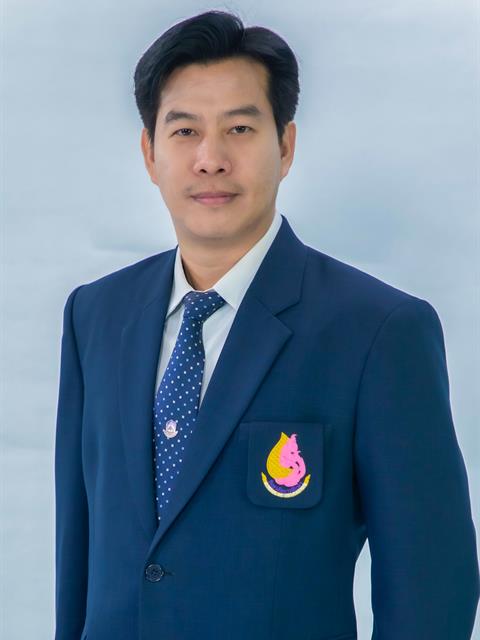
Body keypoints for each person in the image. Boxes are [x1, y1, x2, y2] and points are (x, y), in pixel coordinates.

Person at [54, 9, 479, 640]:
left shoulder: (378, 332)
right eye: (185, 130)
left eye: (240, 128)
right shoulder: (95, 315)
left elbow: (432, 588)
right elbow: (78, 559)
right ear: (149, 153)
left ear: (285, 146)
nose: (210, 159)